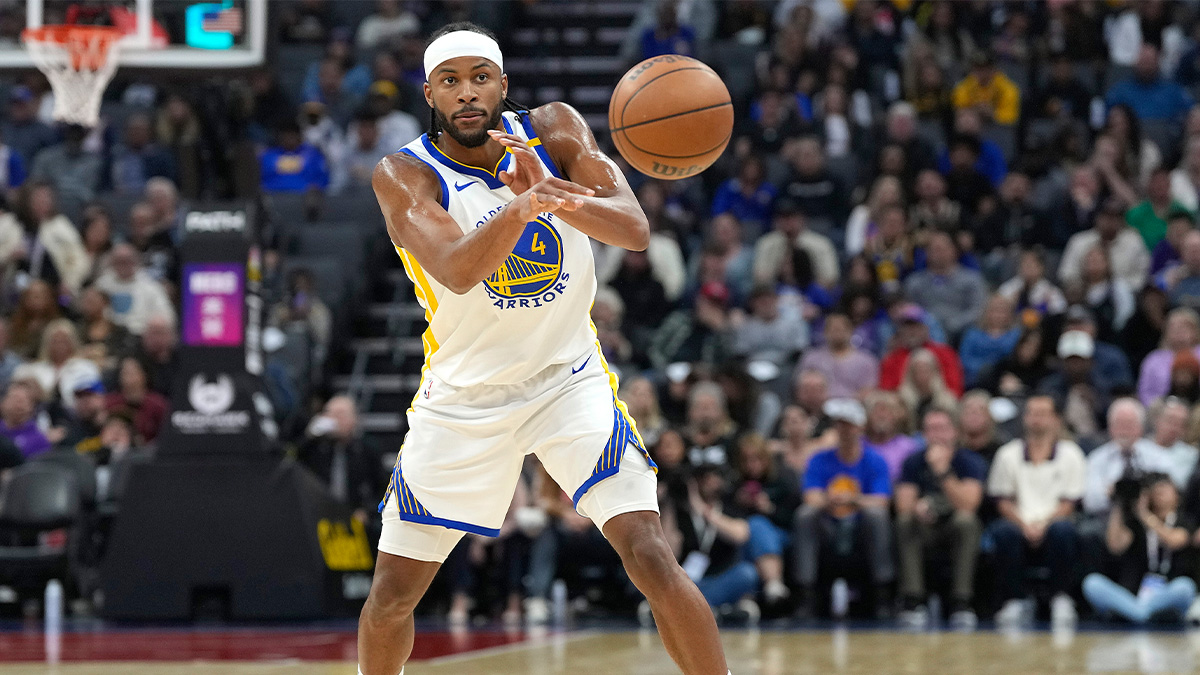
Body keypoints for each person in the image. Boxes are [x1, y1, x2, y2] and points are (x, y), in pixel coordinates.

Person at [358, 23, 730, 675]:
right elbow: (456, 267)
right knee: (392, 596)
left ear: (502, 84)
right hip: (467, 398)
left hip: (568, 378)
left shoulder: (554, 129)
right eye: (451, 81)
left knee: (649, 551)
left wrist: (555, 195)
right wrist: (526, 204)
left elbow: (634, 229)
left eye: (480, 78)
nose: (467, 93)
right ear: (429, 94)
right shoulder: (404, 173)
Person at [987, 396, 1086, 627]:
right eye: (1031, 413)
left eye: (1042, 413)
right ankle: (1016, 599)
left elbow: (1069, 503)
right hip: (1019, 522)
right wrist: (1024, 525)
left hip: (1054, 522)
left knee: (1063, 530)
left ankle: (1060, 598)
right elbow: (1003, 501)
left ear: (1056, 419)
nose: (1036, 419)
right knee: (1003, 531)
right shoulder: (1007, 454)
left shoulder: (1071, 454)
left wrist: (1043, 525)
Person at [792, 398, 894, 619]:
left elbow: (882, 501)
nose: (844, 430)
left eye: (848, 425)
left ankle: (882, 593)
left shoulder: (875, 460)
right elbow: (810, 497)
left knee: (877, 516)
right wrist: (829, 500)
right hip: (828, 527)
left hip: (860, 529)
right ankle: (805, 594)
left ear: (860, 427)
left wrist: (853, 499)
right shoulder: (819, 459)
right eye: (839, 424)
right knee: (805, 515)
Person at [895, 407, 986, 629]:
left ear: (954, 431)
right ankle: (913, 600)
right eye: (931, 429)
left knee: (966, 522)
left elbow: (969, 505)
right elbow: (903, 505)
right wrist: (917, 507)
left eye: (942, 428)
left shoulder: (969, 461)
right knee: (905, 522)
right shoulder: (913, 462)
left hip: (954, 528)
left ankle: (961, 602)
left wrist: (943, 471)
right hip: (924, 528)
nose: (936, 435)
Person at [1082, 474, 1197, 624]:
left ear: (1178, 495)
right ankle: (1141, 613)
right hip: (1135, 594)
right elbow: (1115, 546)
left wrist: (1144, 514)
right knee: (1092, 582)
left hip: (1168, 592)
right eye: (1155, 488)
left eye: (1165, 486)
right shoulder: (1136, 523)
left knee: (1185, 586)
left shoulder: (1184, 520)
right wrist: (1119, 503)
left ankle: (1136, 613)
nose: (1159, 490)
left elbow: (1174, 541)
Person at [298, 396, 386, 523]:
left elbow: (382, 488)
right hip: (320, 515)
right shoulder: (315, 448)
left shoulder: (367, 450)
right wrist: (309, 436)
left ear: (354, 419)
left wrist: (367, 511)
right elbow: (291, 461)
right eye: (329, 414)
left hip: (356, 517)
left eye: (340, 415)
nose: (334, 420)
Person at [1082, 399, 1174, 521]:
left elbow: (1169, 492)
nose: (1124, 430)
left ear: (1141, 427)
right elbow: (1090, 503)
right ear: (1110, 427)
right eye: (1119, 424)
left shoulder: (1158, 456)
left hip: (1150, 517)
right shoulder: (1097, 458)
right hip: (1106, 519)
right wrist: (1112, 494)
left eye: (1129, 424)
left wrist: (1146, 494)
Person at [903, 231, 989, 342]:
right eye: (933, 249)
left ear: (954, 251)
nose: (938, 254)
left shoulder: (971, 280)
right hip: (924, 331)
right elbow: (909, 309)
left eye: (942, 249)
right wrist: (927, 323)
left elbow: (978, 309)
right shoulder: (915, 282)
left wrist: (954, 324)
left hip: (961, 331)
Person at [1058, 197, 1150, 292]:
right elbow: (1066, 274)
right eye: (1106, 216)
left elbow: (1143, 274)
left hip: (1127, 293)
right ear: (1097, 218)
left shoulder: (1134, 241)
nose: (1110, 221)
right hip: (1085, 294)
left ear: (1122, 220)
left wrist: (1118, 288)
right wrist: (1090, 288)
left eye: (1115, 217)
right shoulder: (1079, 241)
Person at [879, 304, 964, 396]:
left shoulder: (945, 353)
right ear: (900, 331)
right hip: (903, 401)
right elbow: (886, 389)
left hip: (938, 400)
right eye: (907, 327)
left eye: (916, 326)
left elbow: (955, 389)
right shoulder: (893, 358)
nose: (912, 331)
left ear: (926, 328)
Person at [93, 243, 176, 336]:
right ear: (112, 263)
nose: (123, 265)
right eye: (119, 261)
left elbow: (167, 316)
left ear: (136, 262)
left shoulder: (151, 287)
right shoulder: (102, 284)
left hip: (140, 334)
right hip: (107, 334)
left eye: (127, 261)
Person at [797, 312, 878, 399]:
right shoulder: (811, 358)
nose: (837, 333)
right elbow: (800, 388)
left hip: (854, 404)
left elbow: (869, 390)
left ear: (850, 331)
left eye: (840, 329)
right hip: (818, 403)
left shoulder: (867, 360)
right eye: (833, 329)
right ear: (825, 332)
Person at [1138, 308, 1200, 406]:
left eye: (1184, 328)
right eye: (1174, 328)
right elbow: (1144, 392)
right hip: (1162, 409)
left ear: (1195, 331)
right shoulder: (1153, 360)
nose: (1179, 332)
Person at [958, 294, 1021, 387]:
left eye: (1002, 311)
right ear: (986, 312)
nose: (998, 315)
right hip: (975, 381)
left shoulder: (1016, 335)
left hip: (1005, 381)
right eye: (994, 311)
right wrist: (984, 368)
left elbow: (1018, 360)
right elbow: (964, 359)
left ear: (1010, 314)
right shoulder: (972, 334)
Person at [1147, 398, 1200, 490]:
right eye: (1170, 420)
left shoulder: (1192, 456)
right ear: (1157, 420)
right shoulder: (1138, 449)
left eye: (1180, 424)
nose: (1174, 428)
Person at [0, 380, 50, 459]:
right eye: (14, 399)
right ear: (3, 403)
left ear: (32, 407)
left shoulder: (38, 439)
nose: (19, 406)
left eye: (24, 401)